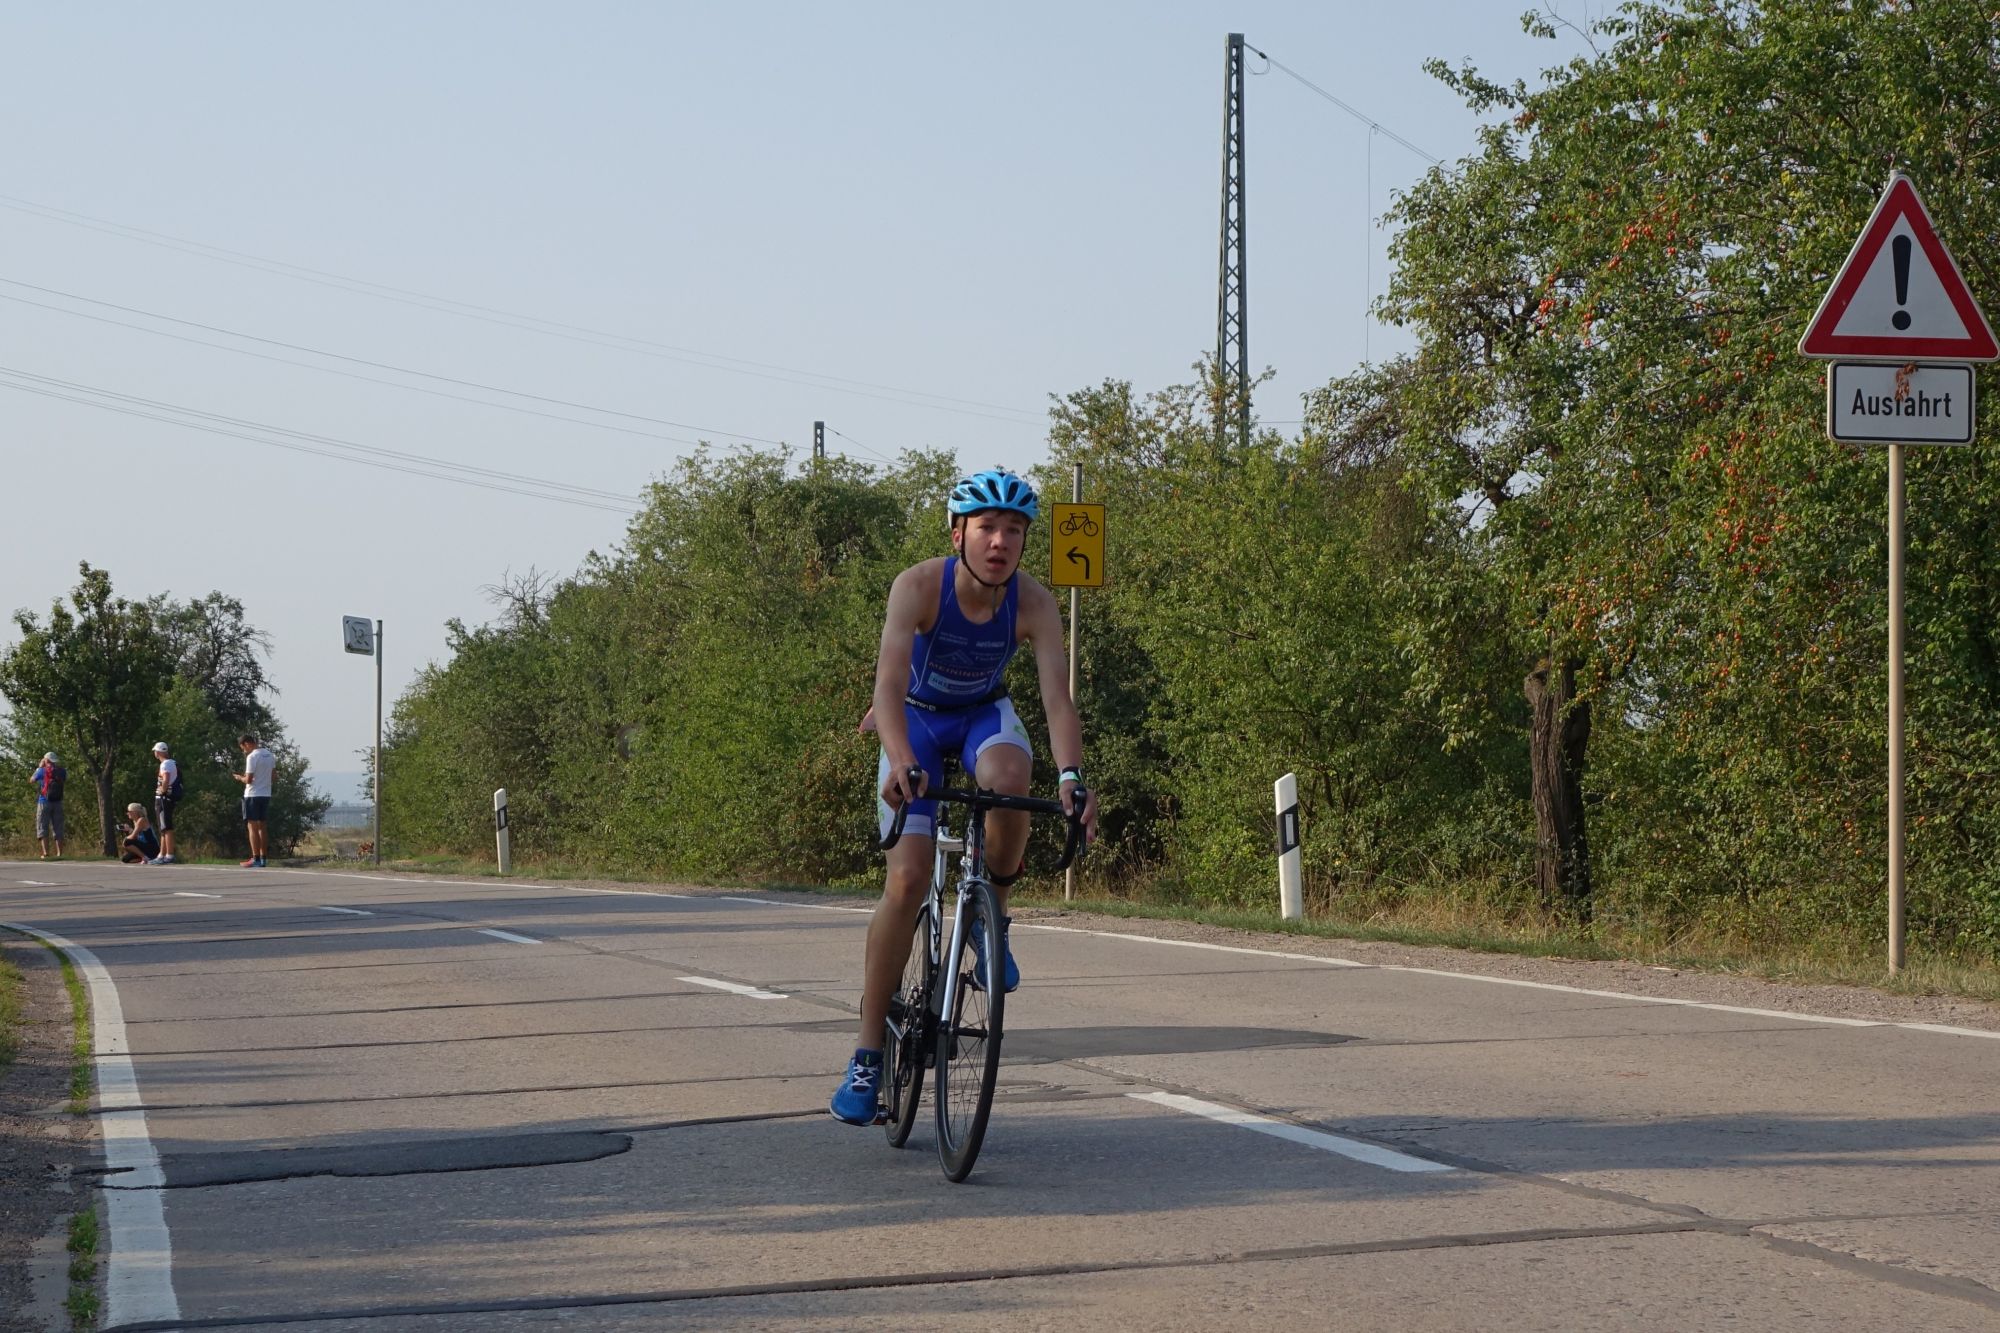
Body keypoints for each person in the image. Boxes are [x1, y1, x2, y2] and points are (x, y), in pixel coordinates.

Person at [829, 468, 1098, 1126]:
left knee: (1011, 778)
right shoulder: (918, 586)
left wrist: (1071, 776)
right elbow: (887, 687)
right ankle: (866, 1054)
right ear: (958, 535)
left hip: (982, 715)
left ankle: (990, 918)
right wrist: (899, 758)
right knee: (908, 879)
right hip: (915, 719)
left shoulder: (1034, 602)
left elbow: (1056, 700)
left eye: (1014, 531)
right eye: (987, 528)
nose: (1000, 542)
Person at [231, 733, 276, 868]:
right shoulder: (269, 755)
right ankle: (263, 859)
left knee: (252, 827)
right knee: (262, 826)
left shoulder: (252, 757)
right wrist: (263, 781)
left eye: (243, 748)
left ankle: (255, 858)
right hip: (266, 793)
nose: (244, 751)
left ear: (246, 744)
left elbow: (249, 779)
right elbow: (274, 776)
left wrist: (240, 778)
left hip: (252, 794)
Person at [29, 753, 65, 860]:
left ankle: (45, 853)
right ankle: (59, 853)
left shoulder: (41, 771)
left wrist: (39, 767)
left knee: (42, 826)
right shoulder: (62, 771)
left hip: (44, 802)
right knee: (58, 827)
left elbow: (31, 780)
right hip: (58, 802)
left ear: (46, 760)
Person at [151, 741, 181, 864]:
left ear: (158, 752)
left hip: (163, 799)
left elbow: (166, 779)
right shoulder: (172, 762)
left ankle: (169, 855)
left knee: (166, 827)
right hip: (167, 799)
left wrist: (162, 791)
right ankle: (161, 855)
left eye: (155, 751)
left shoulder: (165, 764)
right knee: (163, 828)